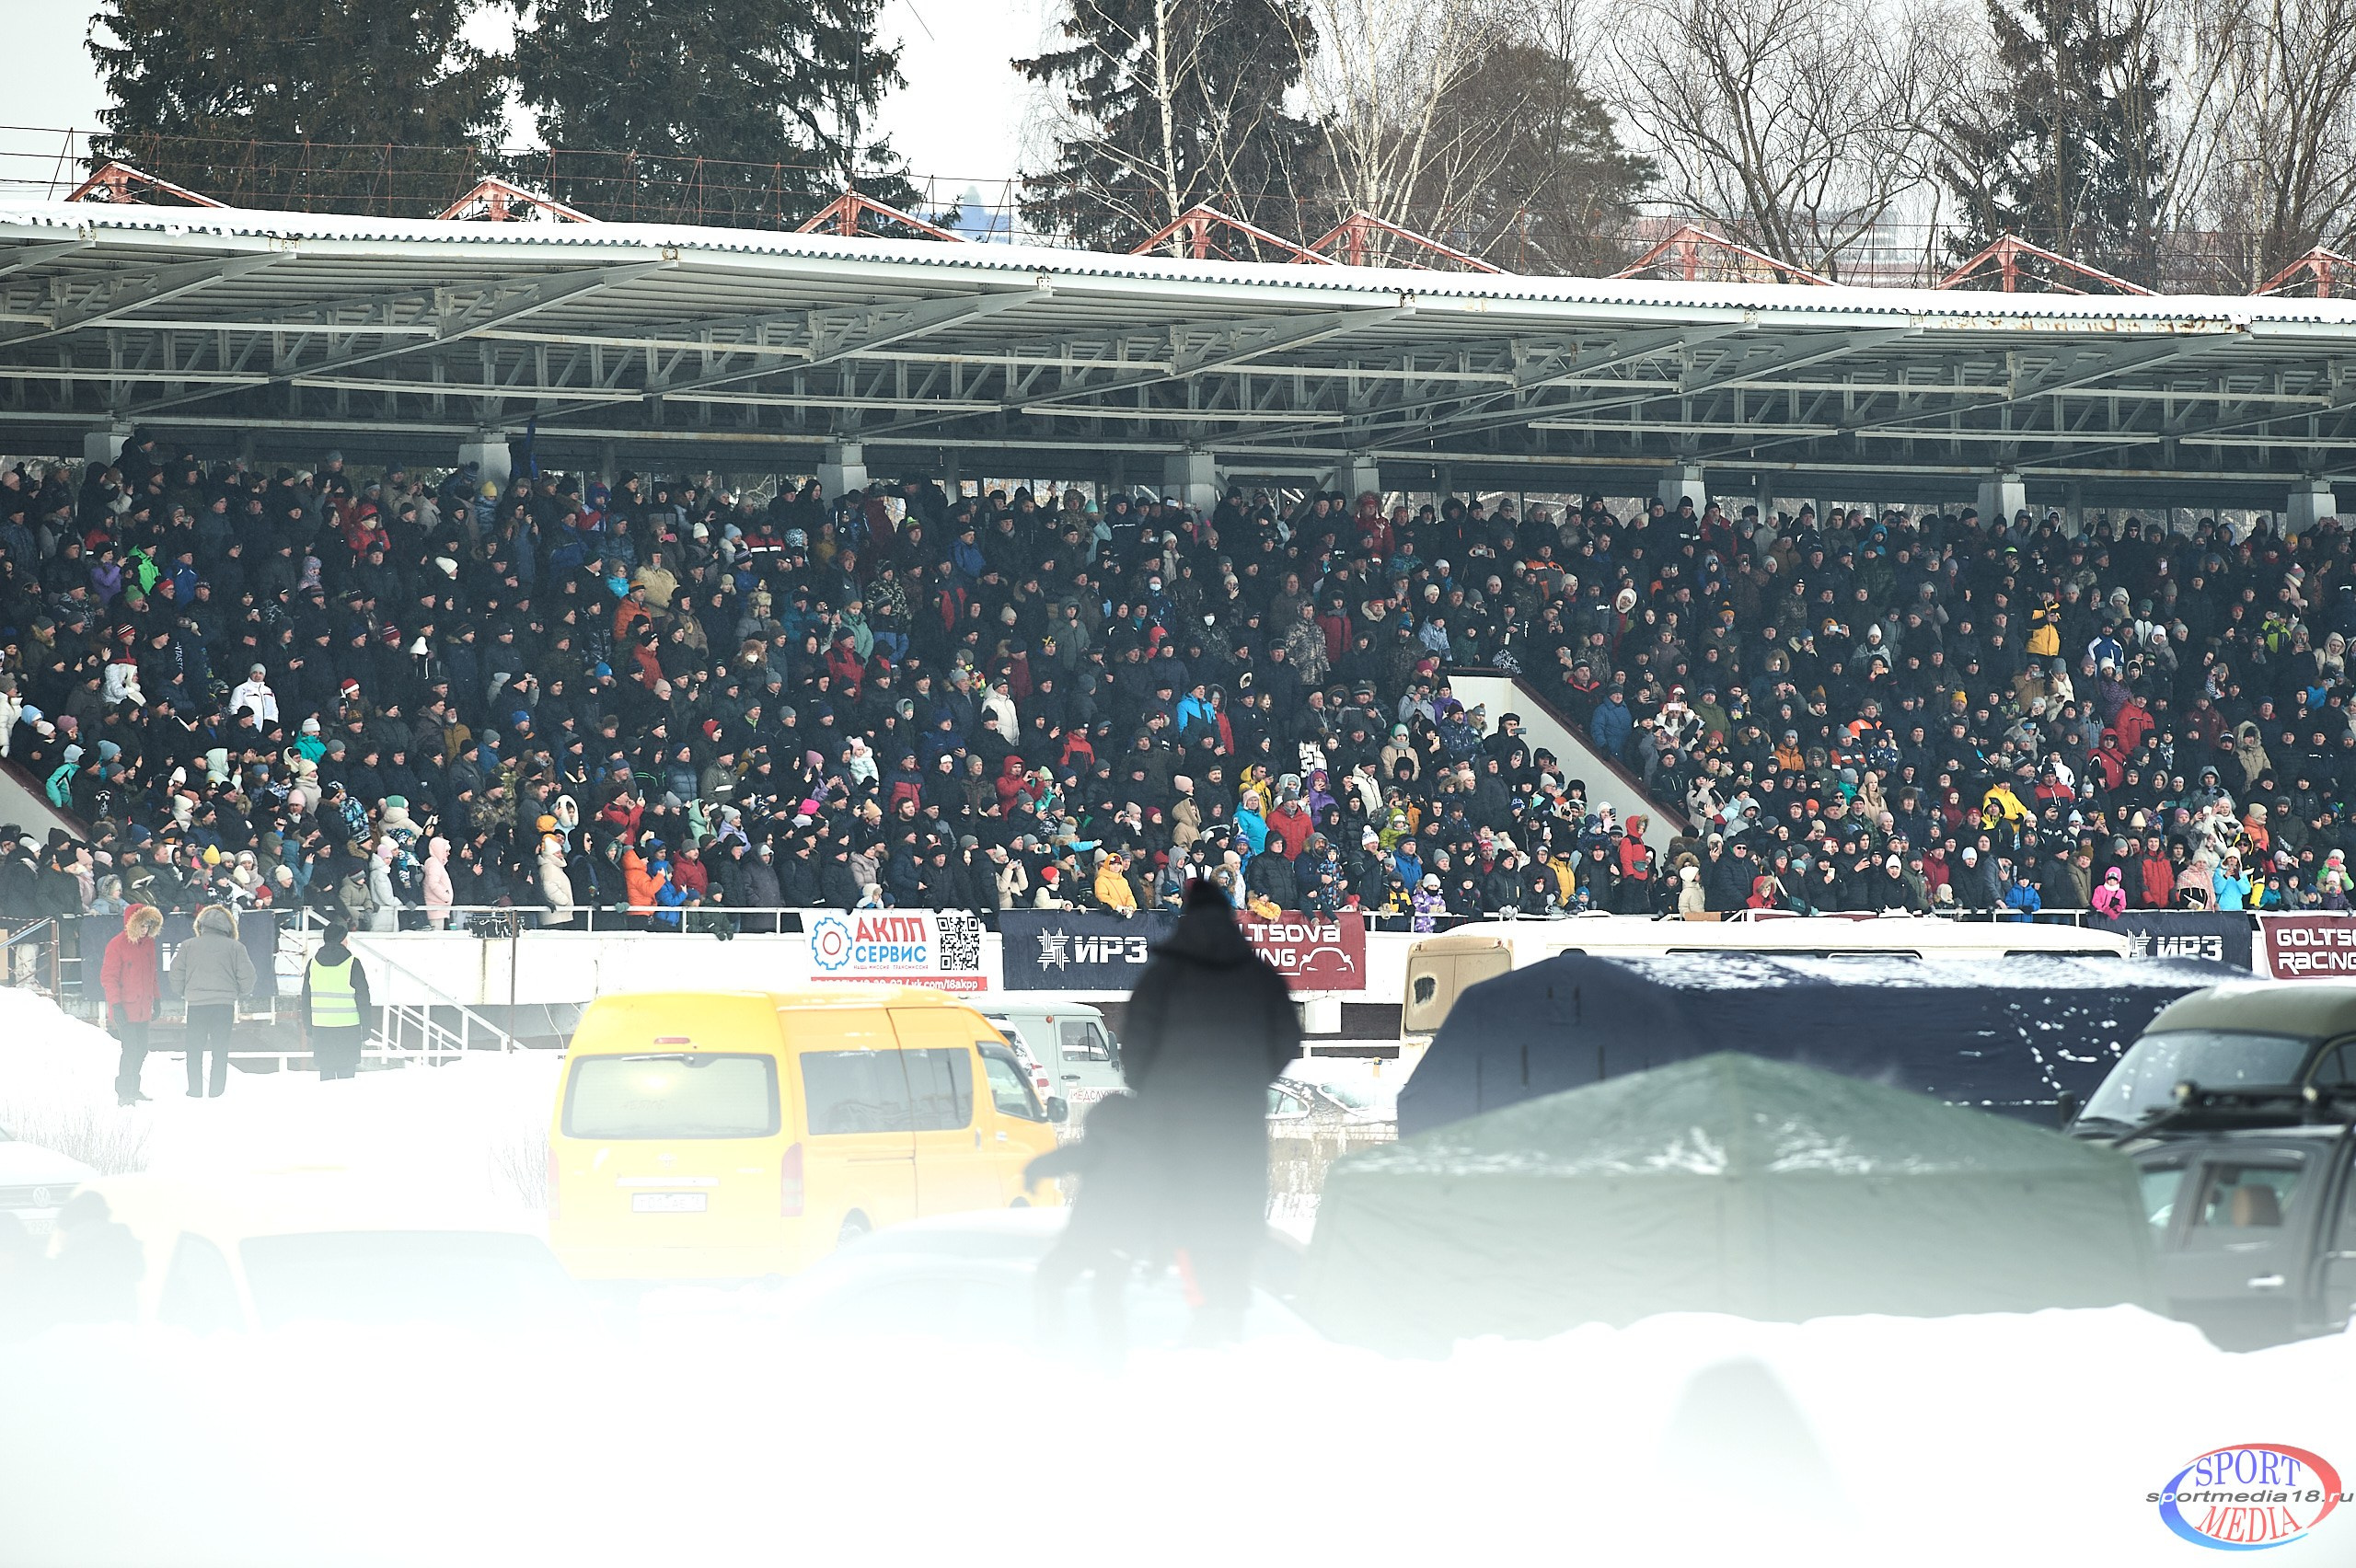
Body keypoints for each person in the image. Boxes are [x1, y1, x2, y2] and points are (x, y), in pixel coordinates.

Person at [1119, 877, 1299, 1343]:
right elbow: (1287, 1041)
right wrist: (1249, 1080)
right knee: (1237, 1212)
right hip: (1239, 1121)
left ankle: (1199, 1310)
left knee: (1186, 1213)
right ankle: (1232, 1308)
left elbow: (1133, 1050)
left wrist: (1157, 1093)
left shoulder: (1162, 977)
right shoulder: (1257, 975)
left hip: (1178, 1126)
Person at [169, 902, 257, 1098]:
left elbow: (175, 973)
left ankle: (195, 1091)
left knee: (194, 1050)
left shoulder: (188, 945)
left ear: (201, 925)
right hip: (223, 1005)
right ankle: (217, 1091)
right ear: (228, 926)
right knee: (220, 1050)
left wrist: (183, 992)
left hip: (196, 1004)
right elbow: (248, 976)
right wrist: (240, 992)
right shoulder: (236, 947)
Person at [98, 903, 163, 1107]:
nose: (145, 930)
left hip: (143, 1006)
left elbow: (152, 975)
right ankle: (124, 1092)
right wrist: (116, 1005)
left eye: (148, 926)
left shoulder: (149, 944)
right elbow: (108, 977)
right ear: (133, 924)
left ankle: (133, 1088)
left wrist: (157, 998)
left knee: (142, 1049)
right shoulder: (117, 944)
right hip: (126, 1008)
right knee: (130, 1050)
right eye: (142, 926)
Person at [301, 921, 373, 1081]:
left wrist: (308, 1026)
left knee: (326, 1076)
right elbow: (363, 999)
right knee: (346, 1079)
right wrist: (366, 1027)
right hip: (348, 1030)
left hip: (321, 1029)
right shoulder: (352, 963)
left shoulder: (313, 964)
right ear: (341, 939)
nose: (347, 942)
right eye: (346, 938)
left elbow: (306, 998)